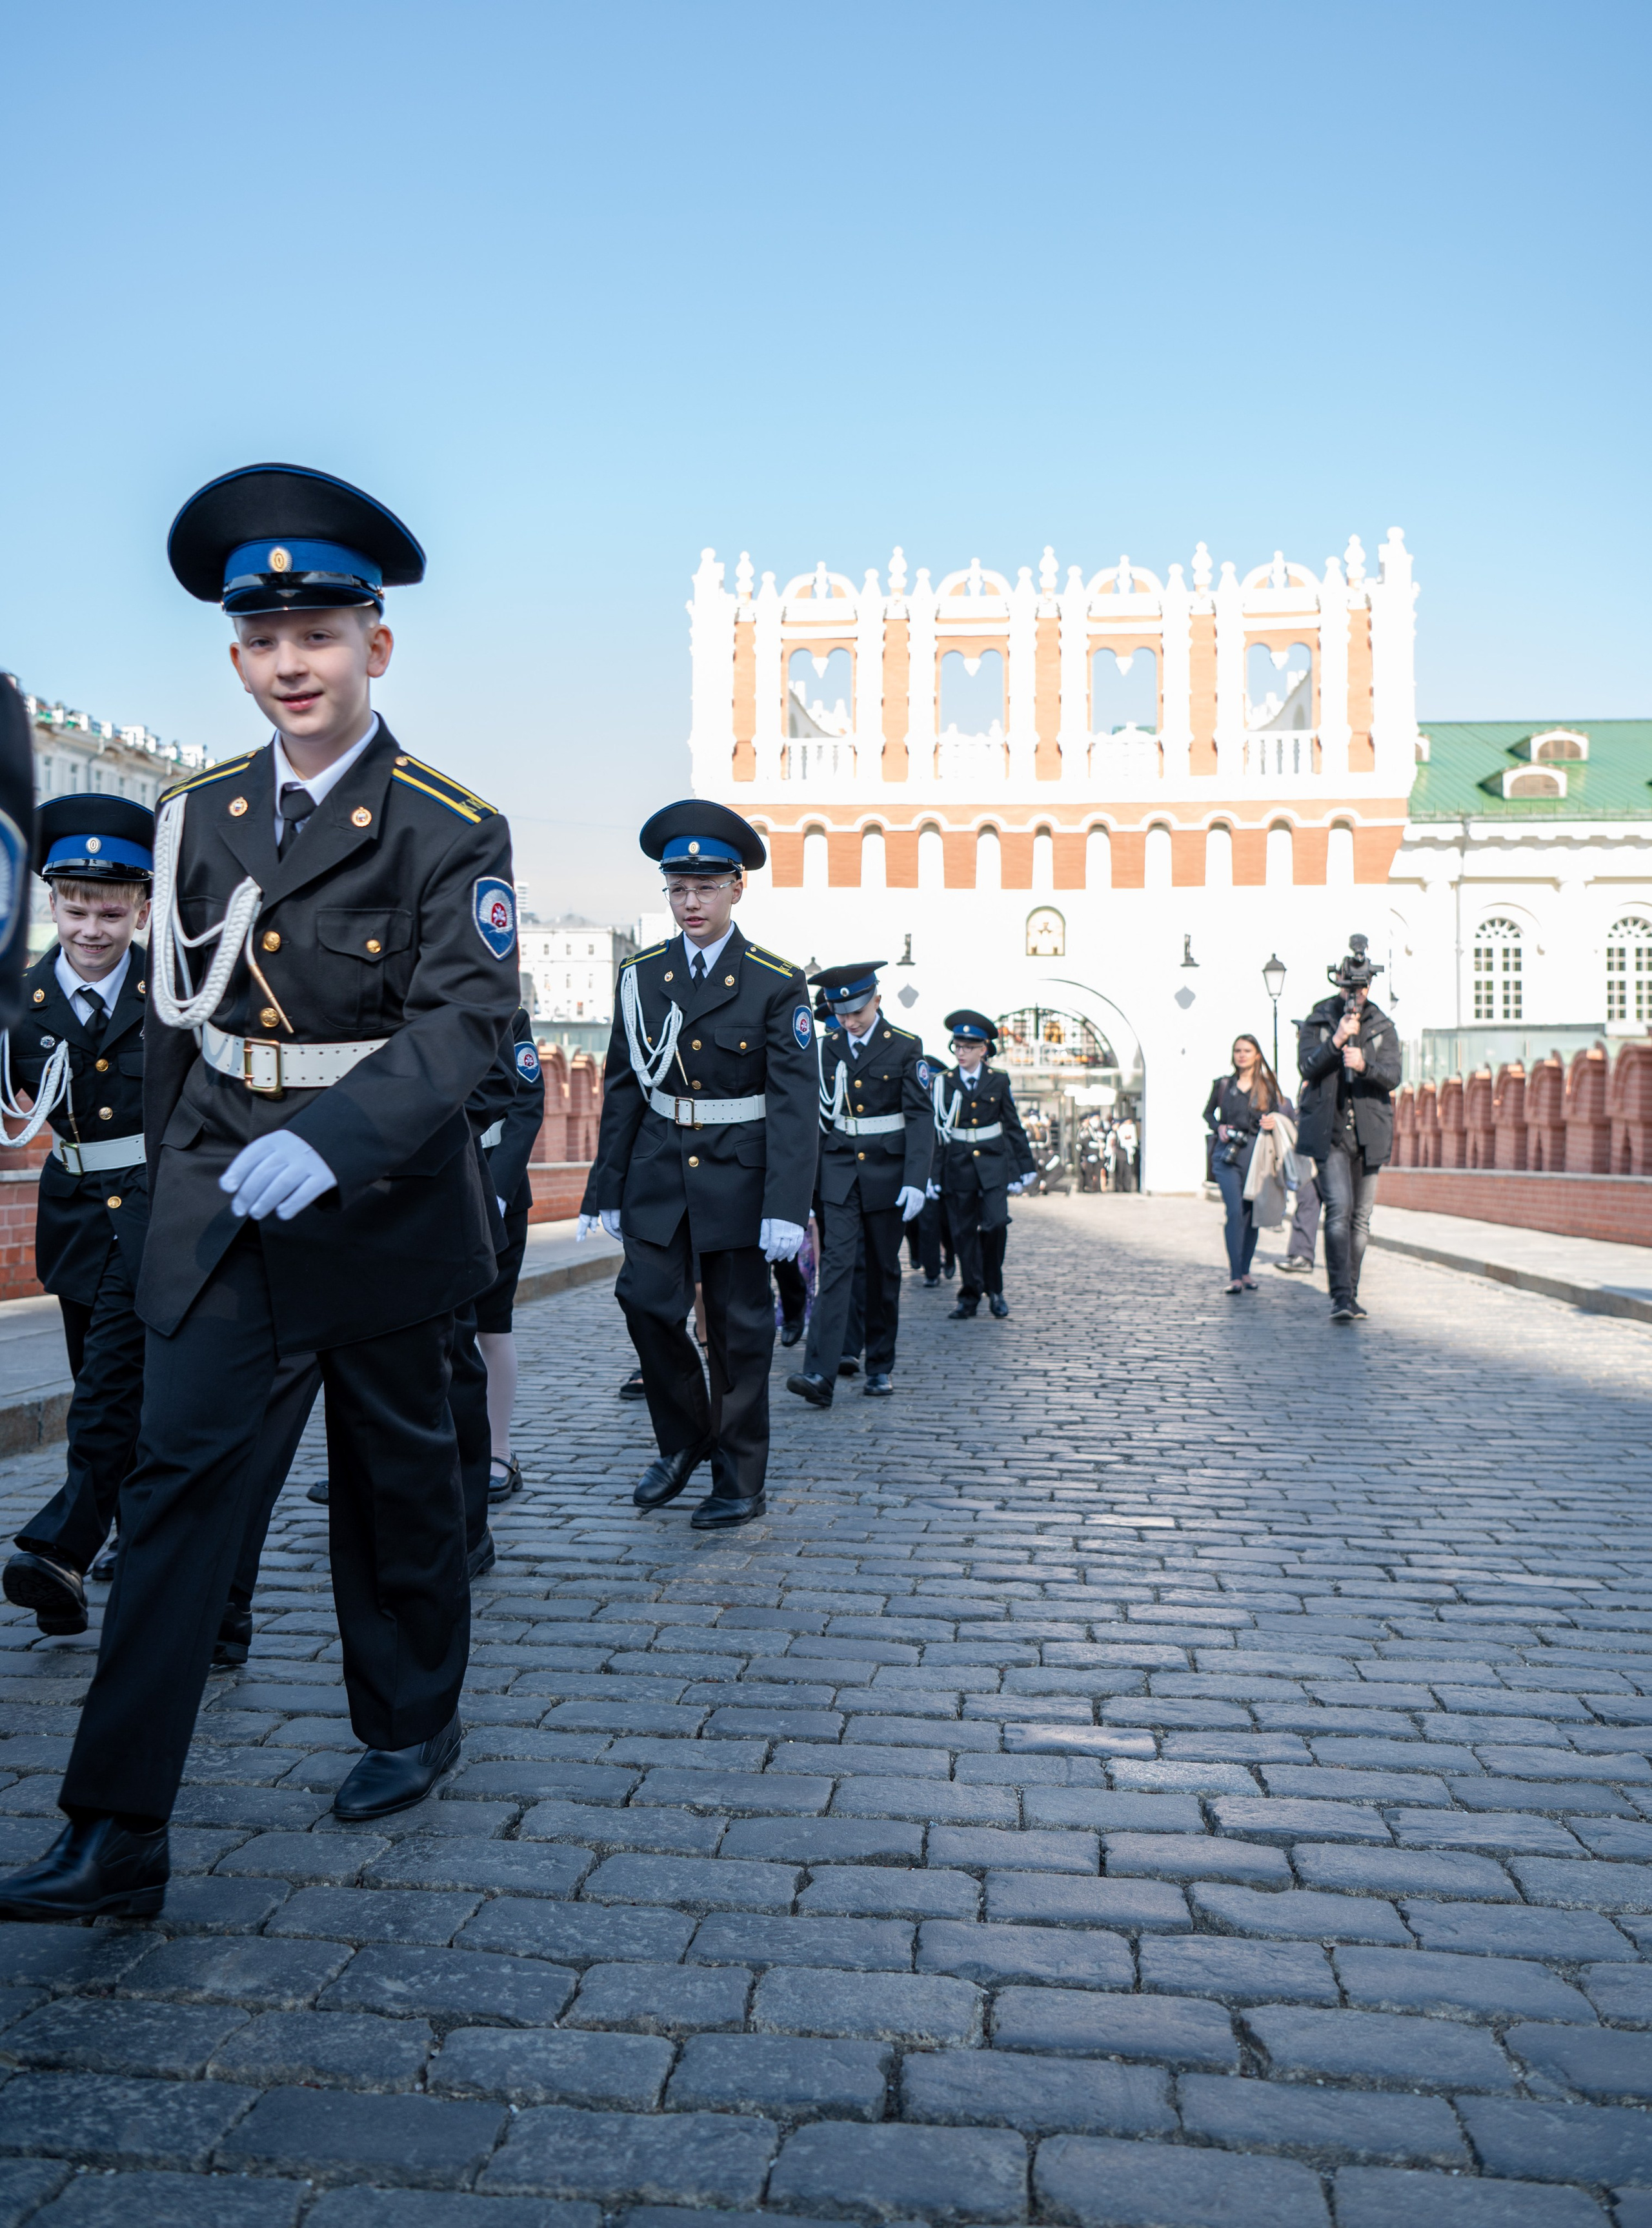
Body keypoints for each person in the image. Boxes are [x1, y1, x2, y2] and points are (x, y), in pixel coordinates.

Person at [0, 463, 520, 1927]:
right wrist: (182, 1200)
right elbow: (174, 1027)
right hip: (229, 1206)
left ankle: (410, 1720)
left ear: (376, 647)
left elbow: (465, 1022)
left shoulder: (443, 823)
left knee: (394, 1487)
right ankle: (115, 1833)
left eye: (321, 634)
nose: (292, 664)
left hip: (376, 1211)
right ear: (238, 659)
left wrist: (341, 1137)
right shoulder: (198, 814)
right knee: (175, 1498)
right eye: (263, 640)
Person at [579, 800, 816, 1528]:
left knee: (741, 1334)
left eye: (706, 886)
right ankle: (684, 1438)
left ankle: (739, 1479)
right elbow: (623, 1086)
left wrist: (785, 1204)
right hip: (657, 1171)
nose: (690, 902)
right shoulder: (640, 975)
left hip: (740, 1179)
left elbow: (793, 1104)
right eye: (677, 887)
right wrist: (604, 1187)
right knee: (645, 1303)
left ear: (737, 887)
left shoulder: (776, 982)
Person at [1, 798, 154, 1635]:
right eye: (75, 909)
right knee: (105, 1387)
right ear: (50, 901)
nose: (92, 930)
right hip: (72, 1220)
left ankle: (62, 1547)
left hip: (157, 1216)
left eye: (111, 910)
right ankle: (132, 1545)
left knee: (107, 1388)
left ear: (140, 906)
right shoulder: (15, 1000)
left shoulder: (171, 995)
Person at [785, 962, 932, 1406]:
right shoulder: (825, 1049)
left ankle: (880, 1366)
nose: (849, 1021)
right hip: (839, 1172)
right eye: (840, 1012)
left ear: (878, 1002)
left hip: (888, 1174)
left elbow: (921, 1117)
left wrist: (916, 1180)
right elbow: (813, 1119)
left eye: (857, 1011)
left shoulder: (905, 1047)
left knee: (884, 1272)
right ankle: (819, 1373)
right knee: (835, 1268)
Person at [1297, 933, 1401, 1323]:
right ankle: (1341, 1295)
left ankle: (1351, 1292)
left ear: (1369, 986)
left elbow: (1392, 1076)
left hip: (1370, 1133)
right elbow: (1306, 1067)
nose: (1356, 991)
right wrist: (1336, 1041)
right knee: (1339, 1210)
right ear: (1339, 982)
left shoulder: (1382, 1025)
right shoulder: (1320, 1019)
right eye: (1350, 984)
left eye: (1362, 985)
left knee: (1361, 1218)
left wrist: (1364, 1066)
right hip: (1331, 1132)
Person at [476, 1008, 545, 1504]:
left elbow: (527, 1104)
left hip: (494, 1186)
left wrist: (498, 1191)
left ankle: (499, 1451)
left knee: (492, 1326)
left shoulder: (508, 1017)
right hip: (423, 1189)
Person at [932, 1009, 1036, 1321]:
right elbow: (937, 1132)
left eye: (967, 1047)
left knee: (995, 1225)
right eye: (957, 1047)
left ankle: (995, 1287)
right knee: (963, 1234)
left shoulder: (998, 1081)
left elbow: (1013, 1126)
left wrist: (1025, 1168)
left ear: (983, 1049)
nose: (960, 1053)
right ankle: (969, 1296)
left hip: (993, 1167)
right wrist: (932, 1174)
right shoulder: (943, 1083)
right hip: (957, 1166)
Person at [1204, 1035, 1283, 1295]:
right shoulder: (1224, 1085)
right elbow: (1208, 1113)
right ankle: (1235, 1275)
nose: (1241, 1055)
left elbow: (1280, 1116)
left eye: (1247, 1051)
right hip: (1226, 1155)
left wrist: (1272, 1121)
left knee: (1251, 1216)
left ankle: (1246, 1271)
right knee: (1235, 1211)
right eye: (1238, 1050)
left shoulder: (1267, 1087)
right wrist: (1220, 1127)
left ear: (1257, 1055)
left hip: (1255, 1153)